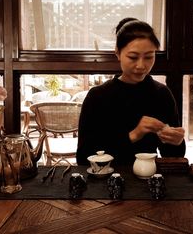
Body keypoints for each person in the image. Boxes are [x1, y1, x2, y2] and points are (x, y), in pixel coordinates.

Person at [76, 17, 186, 165]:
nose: (141, 65)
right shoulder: (98, 97)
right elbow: (83, 157)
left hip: (148, 178)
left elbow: (172, 156)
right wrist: (134, 135)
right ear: (117, 53)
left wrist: (176, 141)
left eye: (149, 57)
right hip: (105, 181)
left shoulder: (161, 95)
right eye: (133, 57)